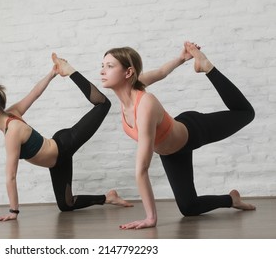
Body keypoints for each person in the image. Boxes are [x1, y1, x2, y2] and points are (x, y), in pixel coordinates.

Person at [100, 42, 256, 229]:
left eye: (110, 66)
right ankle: (232, 199)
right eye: (103, 66)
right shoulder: (127, 98)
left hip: (193, 131)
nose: (102, 71)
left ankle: (208, 68)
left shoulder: (145, 104)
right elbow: (161, 72)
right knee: (189, 207)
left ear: (128, 72)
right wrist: (181, 58)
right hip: (171, 152)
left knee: (246, 113)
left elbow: (142, 169)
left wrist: (151, 218)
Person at [0, 53, 132, 222]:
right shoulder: (12, 114)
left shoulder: (12, 131)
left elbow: (11, 176)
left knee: (104, 104)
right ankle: (109, 197)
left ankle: (71, 71)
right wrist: (52, 73)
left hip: (64, 145)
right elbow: (35, 92)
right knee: (66, 205)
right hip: (57, 162)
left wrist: (13, 211)